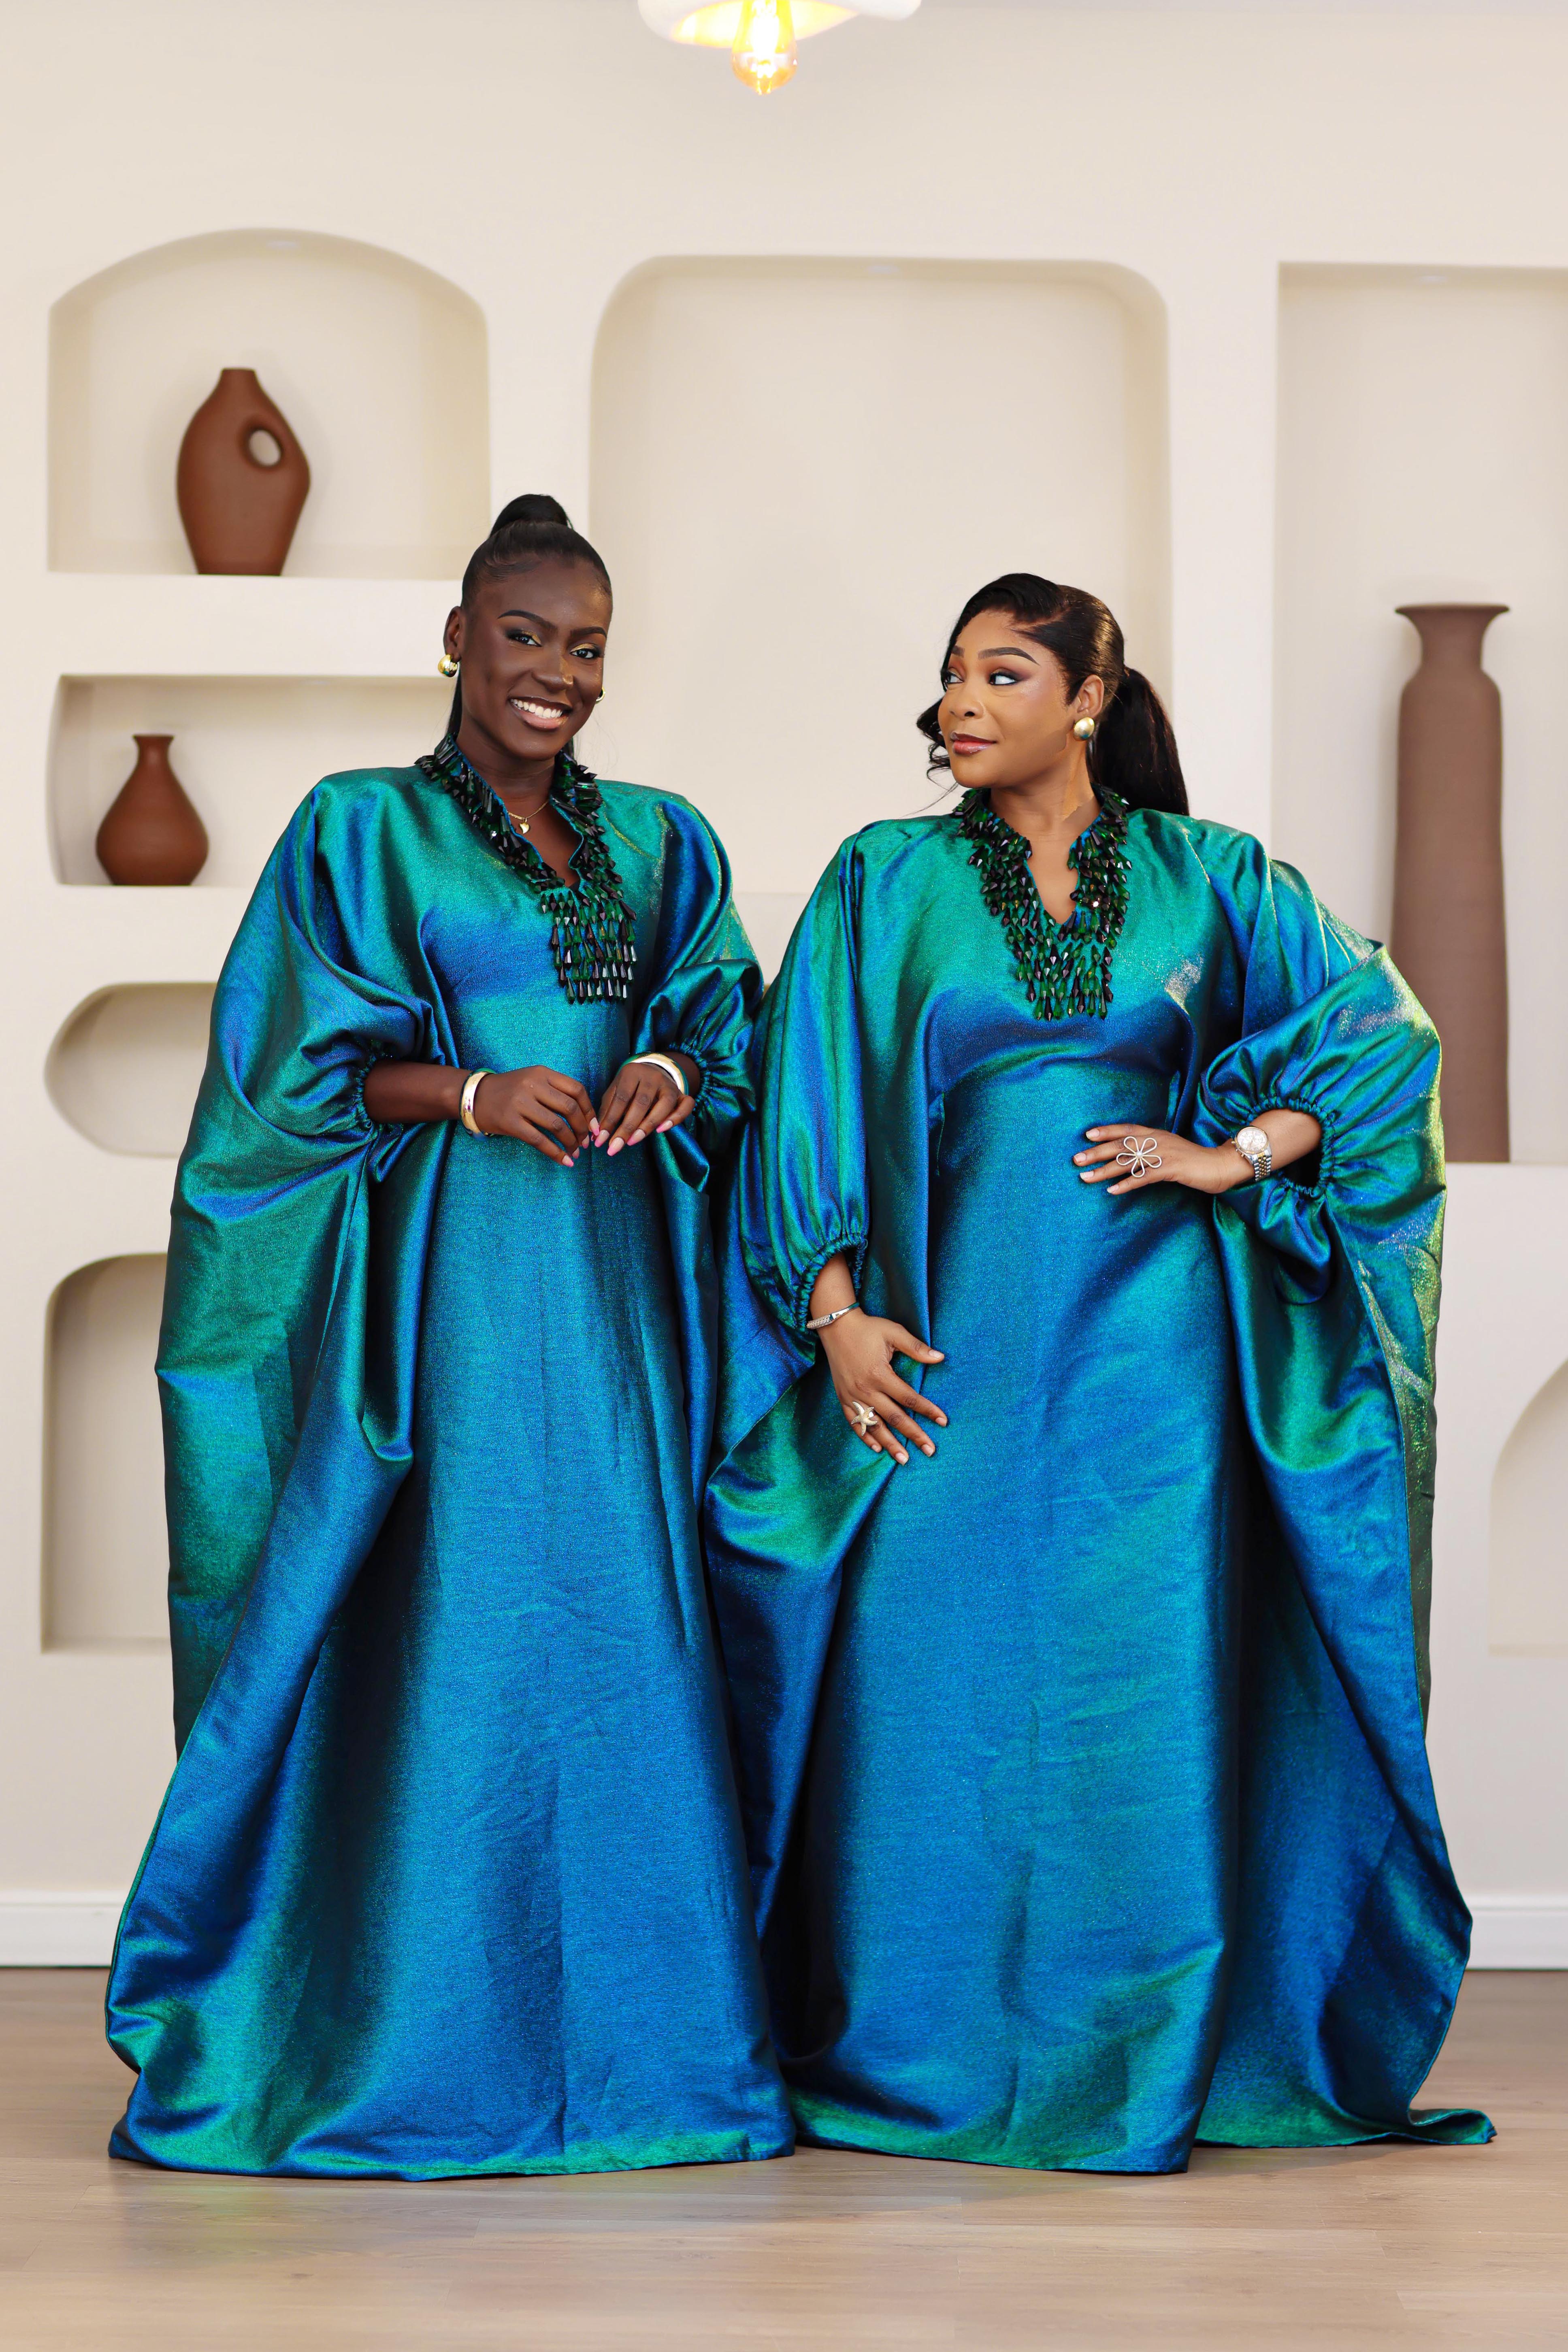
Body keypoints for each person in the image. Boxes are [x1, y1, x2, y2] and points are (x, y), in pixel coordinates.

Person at [707, 572, 1491, 2173]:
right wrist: (835, 1311)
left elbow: (1379, 1037)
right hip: (942, 1356)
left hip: (1156, 1370)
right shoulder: (885, 878)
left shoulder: (1207, 881)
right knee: (927, 1696)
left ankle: (1139, 2063)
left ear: (1086, 692)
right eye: (945, 678)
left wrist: (1227, 1157)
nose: (957, 704)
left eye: (1000, 673)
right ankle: (913, 2053)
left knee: (1139, 1706)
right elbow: (802, 1092)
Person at [107, 496, 792, 2179]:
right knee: (454, 1636)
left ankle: (653, 2064)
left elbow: (725, 1013)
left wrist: (677, 1073)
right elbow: (287, 1077)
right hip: (445, 1308)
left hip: (617, 1304)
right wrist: (472, 1091)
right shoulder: (358, 831)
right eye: (524, 636)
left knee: (622, 1631)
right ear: (457, 640)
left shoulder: (663, 840)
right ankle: (405, 2037)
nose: (556, 673)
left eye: (585, 647)